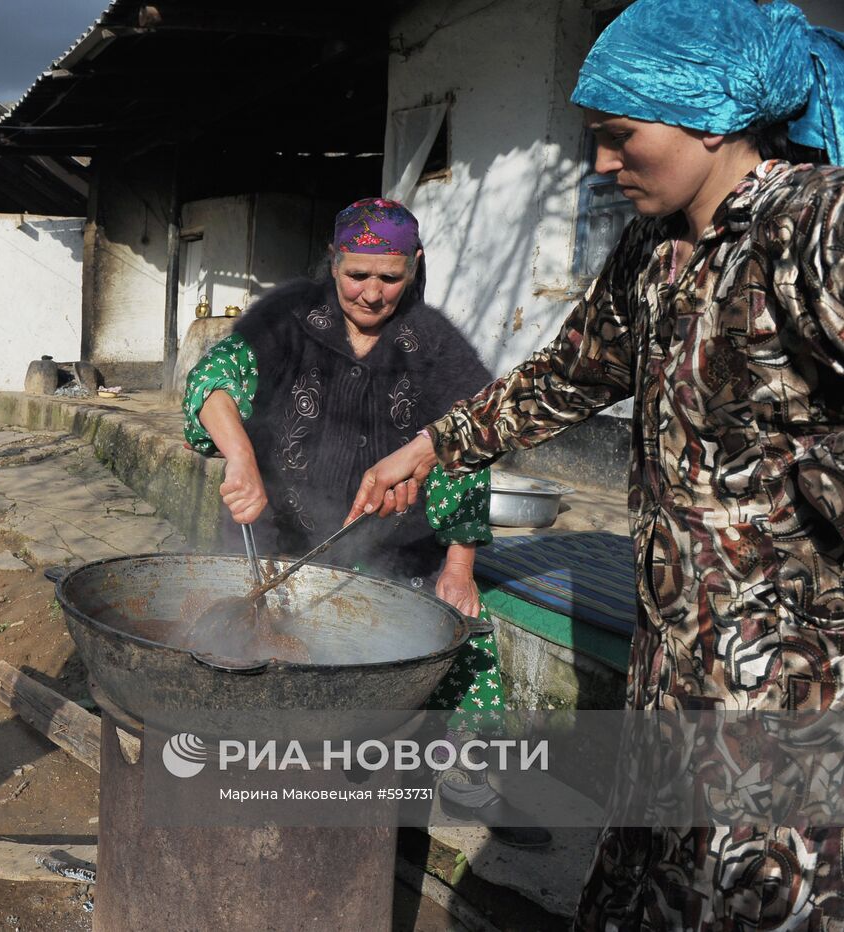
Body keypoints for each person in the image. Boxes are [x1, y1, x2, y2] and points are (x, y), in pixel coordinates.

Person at [346, 0, 844, 925]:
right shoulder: (656, 254)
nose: (603, 164)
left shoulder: (814, 226)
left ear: (711, 116)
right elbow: (564, 377)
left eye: (621, 136)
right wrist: (427, 447)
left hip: (791, 679)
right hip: (677, 658)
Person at [182, 197, 550, 847]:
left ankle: (462, 781)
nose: (373, 293)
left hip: (394, 551)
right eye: (358, 274)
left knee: (460, 639)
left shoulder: (432, 345)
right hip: (278, 545)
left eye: (390, 277)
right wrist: (239, 456)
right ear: (333, 262)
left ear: (414, 268)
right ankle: (263, 772)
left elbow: (468, 446)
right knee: (255, 658)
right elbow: (213, 380)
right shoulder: (286, 320)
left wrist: (460, 566)